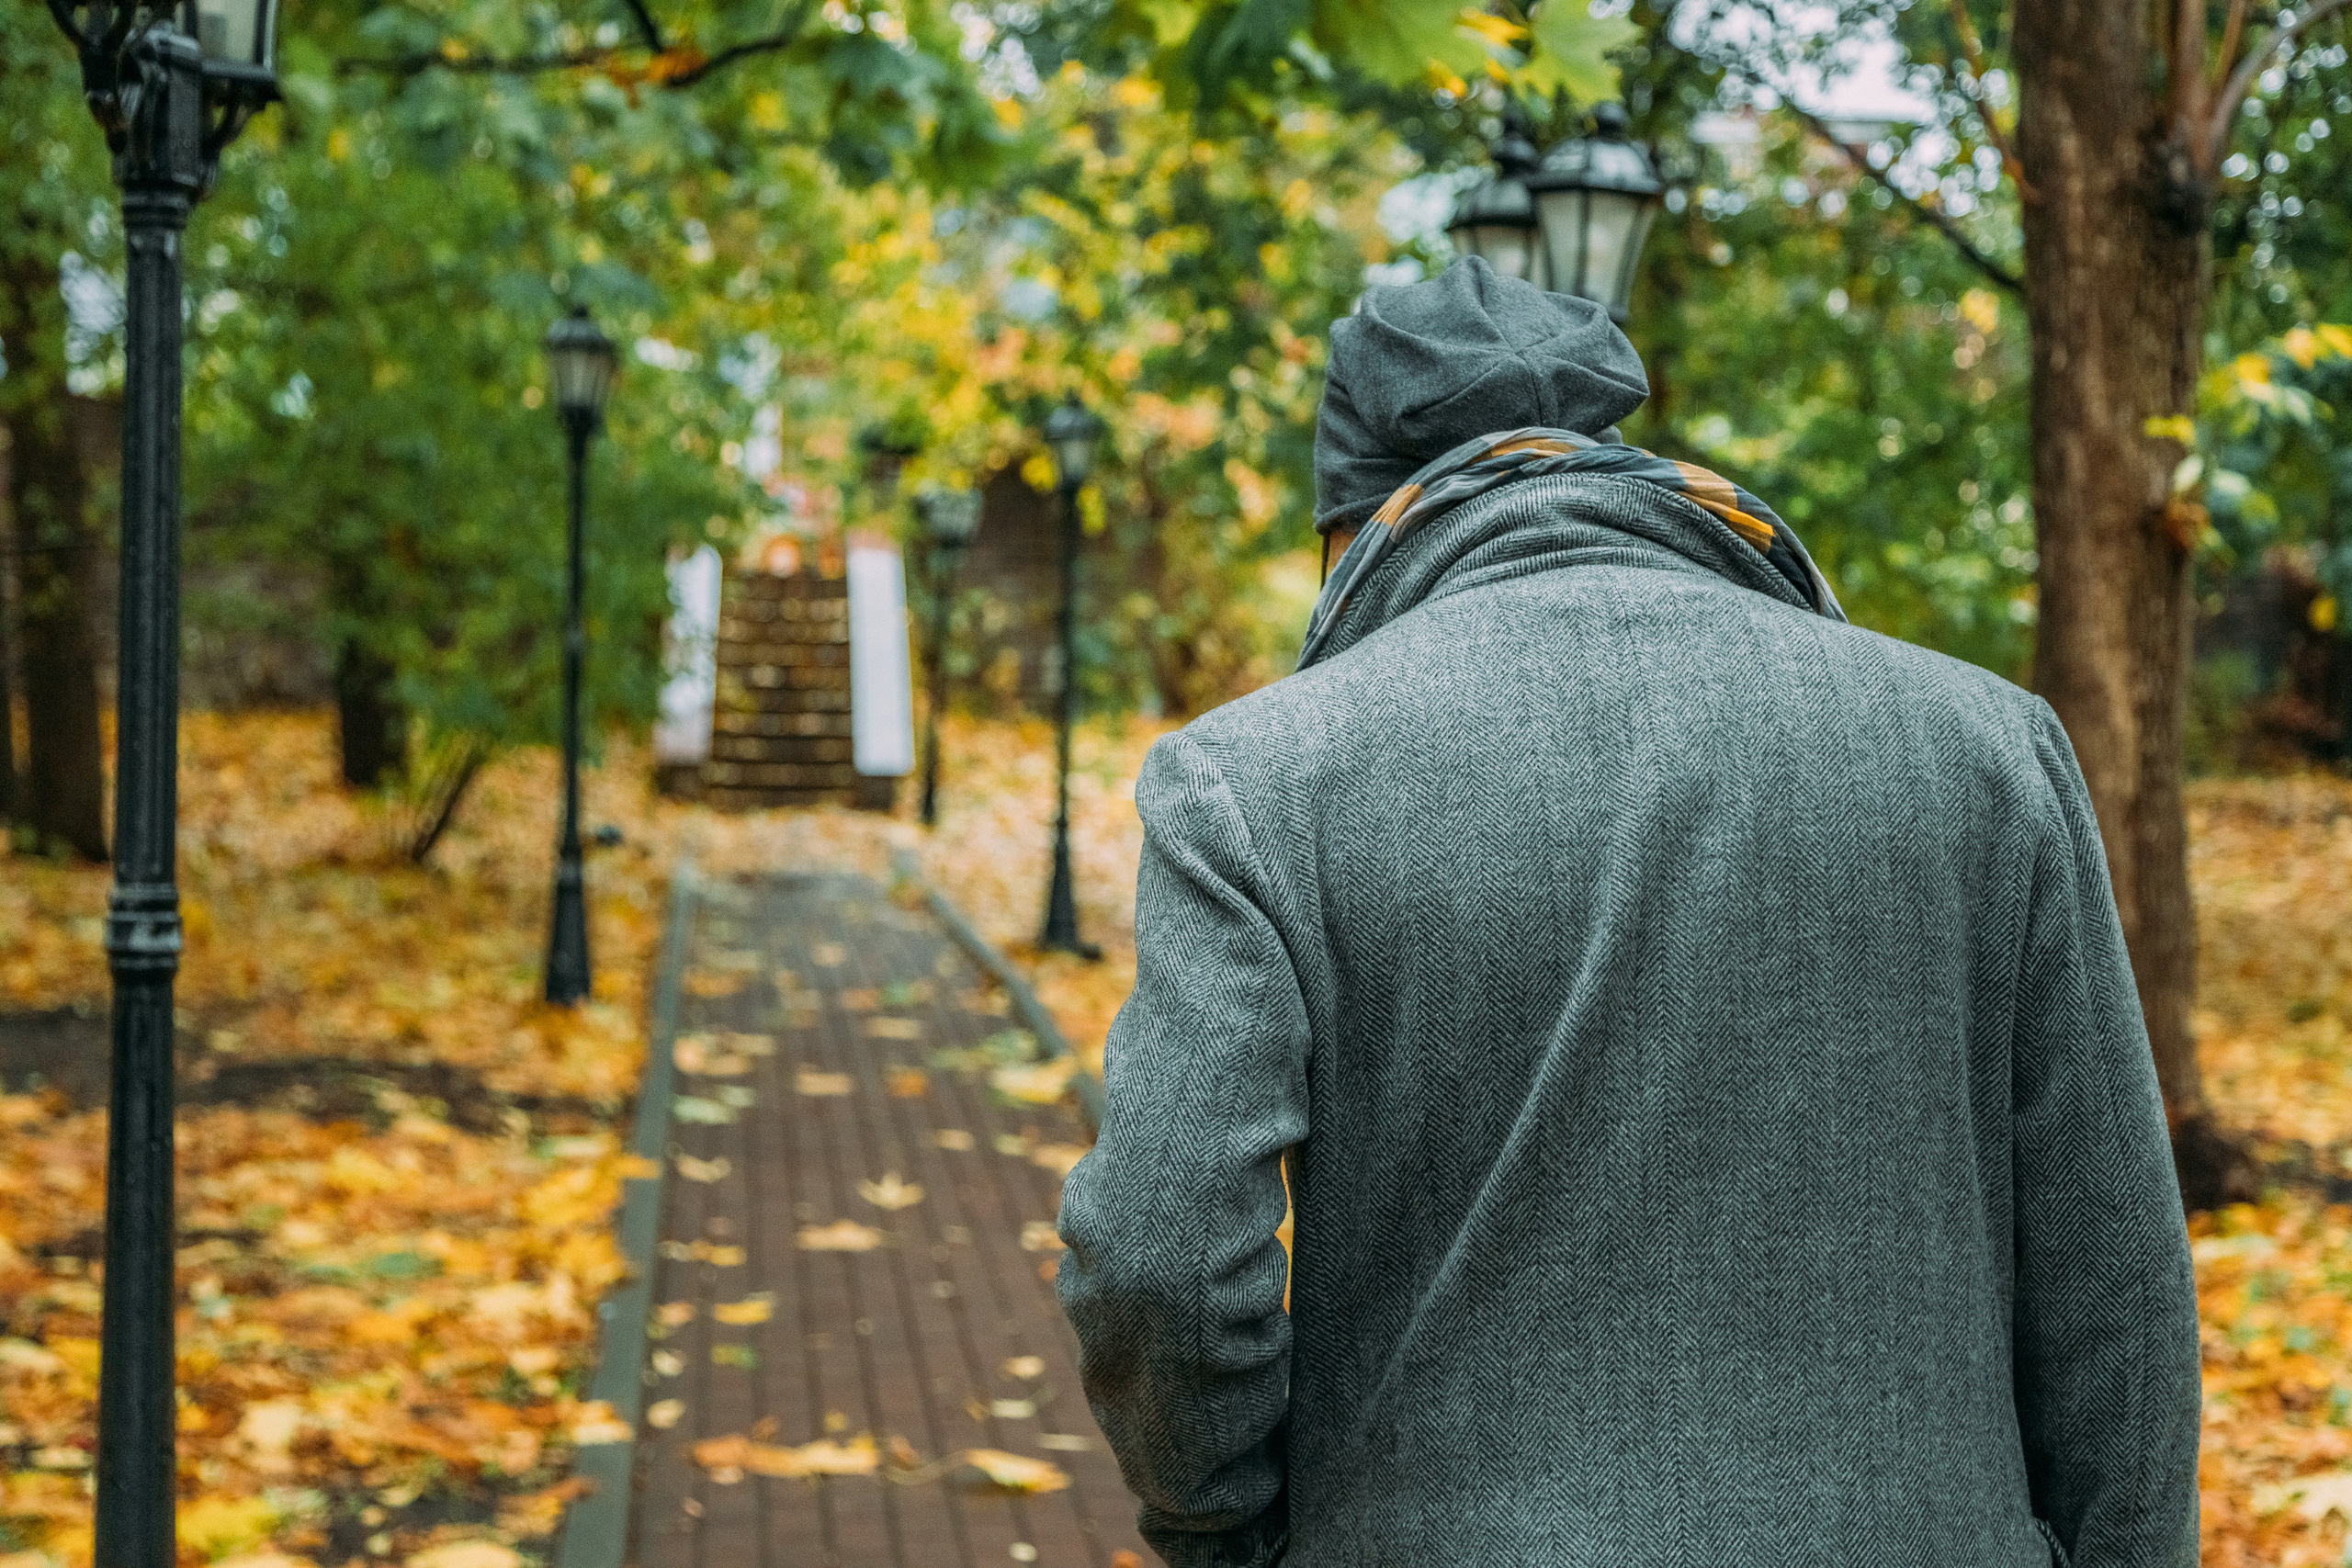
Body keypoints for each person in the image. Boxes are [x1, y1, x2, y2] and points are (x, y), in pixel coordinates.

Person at [1053, 255, 2200, 1568]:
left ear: (1352, 523)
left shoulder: (1257, 780)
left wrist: (1229, 1533)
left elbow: (1156, 1257)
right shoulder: (1990, 749)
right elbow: (2118, 1292)